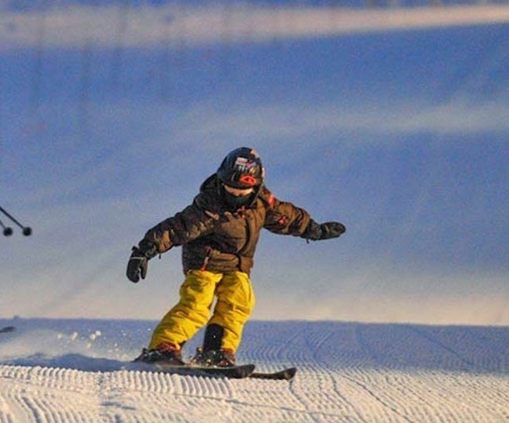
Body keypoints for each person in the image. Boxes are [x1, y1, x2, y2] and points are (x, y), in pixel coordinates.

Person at [126, 147, 345, 367]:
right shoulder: (210, 207)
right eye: (231, 190)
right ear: (222, 183)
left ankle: (217, 351)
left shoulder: (262, 203)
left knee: (239, 302)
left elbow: (286, 218)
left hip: (238, 265)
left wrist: (315, 230)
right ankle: (163, 347)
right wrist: (144, 251)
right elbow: (176, 228)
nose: (236, 196)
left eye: (243, 192)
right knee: (197, 303)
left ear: (256, 186)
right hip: (205, 263)